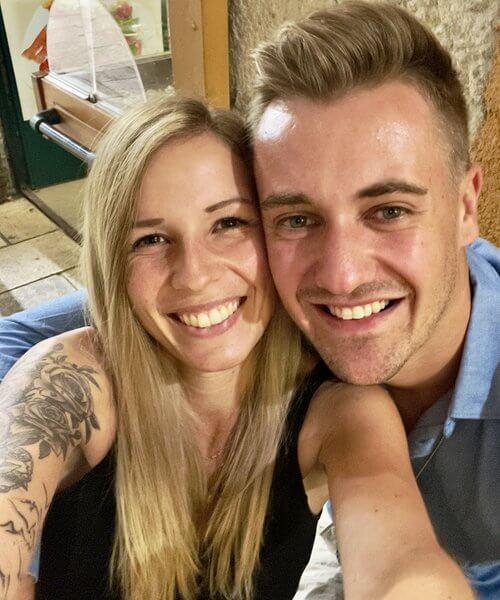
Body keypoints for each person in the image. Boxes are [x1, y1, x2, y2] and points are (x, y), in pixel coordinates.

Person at [0, 96, 472, 600]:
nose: (195, 275)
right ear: (112, 263)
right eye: (151, 240)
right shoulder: (70, 382)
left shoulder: (340, 411)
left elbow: (401, 562)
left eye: (228, 223)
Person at [248, 1, 499, 598]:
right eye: (297, 219)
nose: (341, 276)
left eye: (389, 211)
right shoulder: (246, 304)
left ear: (466, 207)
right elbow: (38, 333)